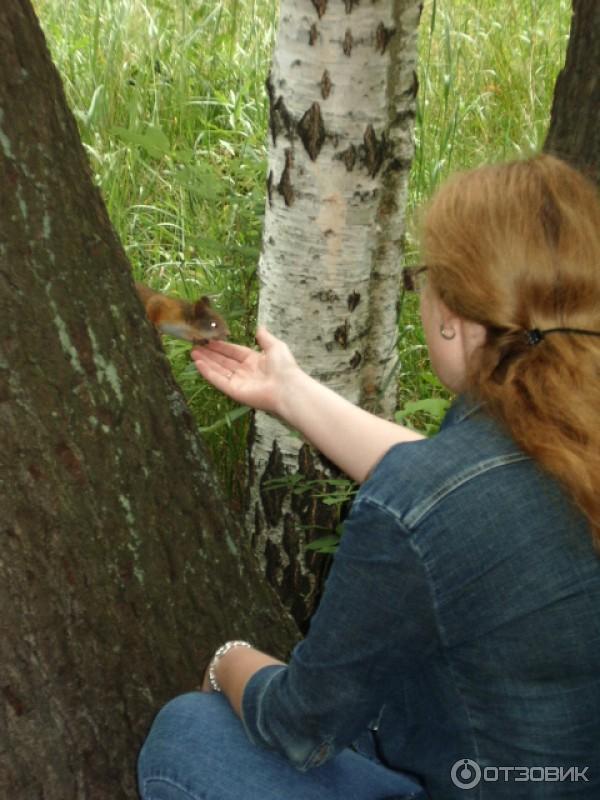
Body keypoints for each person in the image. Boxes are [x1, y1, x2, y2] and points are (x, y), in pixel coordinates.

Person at [137, 154, 600, 799]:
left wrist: (228, 660)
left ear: (451, 317)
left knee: (190, 737)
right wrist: (289, 392)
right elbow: (467, 491)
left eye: (424, 278)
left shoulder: (422, 507)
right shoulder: (572, 437)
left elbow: (298, 726)